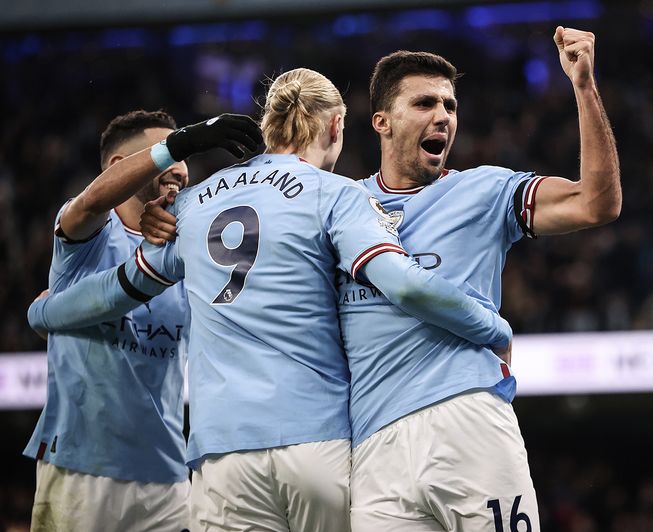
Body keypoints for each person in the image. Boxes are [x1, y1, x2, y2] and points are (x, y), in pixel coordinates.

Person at [135, 26, 617, 532]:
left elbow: (597, 203)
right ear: (381, 122)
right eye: (426, 103)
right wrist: (161, 222)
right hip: (371, 446)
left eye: (451, 106)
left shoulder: (487, 190)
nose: (443, 117)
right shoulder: (331, 203)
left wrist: (583, 87)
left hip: (466, 417)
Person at [29, 68, 512, 532]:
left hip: (220, 452)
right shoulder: (338, 194)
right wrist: (492, 326)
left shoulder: (196, 203)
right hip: (315, 439)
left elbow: (120, 288)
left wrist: (45, 311)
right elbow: (402, 283)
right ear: (337, 125)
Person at [25, 110, 262, 531]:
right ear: (121, 166)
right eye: (168, 153)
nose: (181, 167)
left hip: (167, 475)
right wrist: (180, 142)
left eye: (183, 155)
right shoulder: (85, 239)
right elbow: (94, 201)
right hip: (82, 466)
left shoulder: (187, 250)